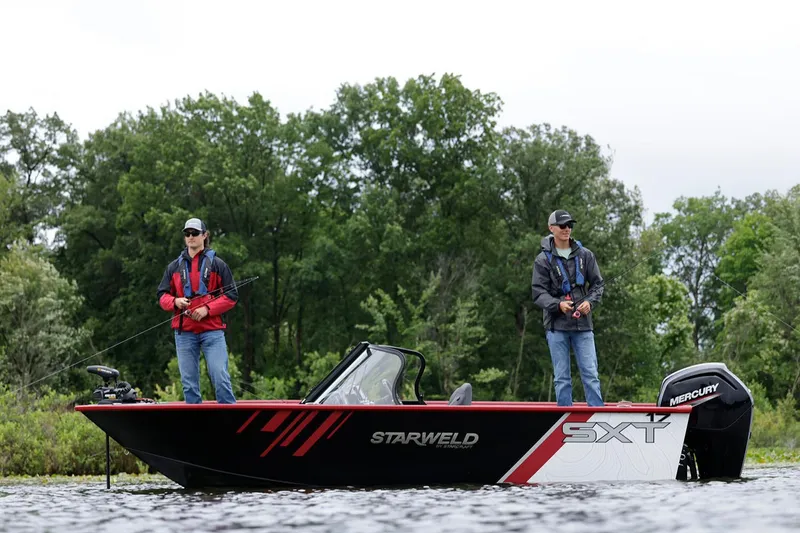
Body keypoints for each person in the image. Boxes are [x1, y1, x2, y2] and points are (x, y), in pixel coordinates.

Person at [157, 218, 238, 404]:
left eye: (195, 233)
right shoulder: (173, 267)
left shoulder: (218, 264)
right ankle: (197, 426)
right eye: (187, 234)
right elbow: (162, 296)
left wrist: (207, 309)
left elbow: (232, 296)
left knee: (220, 377)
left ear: (205, 235)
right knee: (189, 385)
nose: (191, 237)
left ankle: (230, 423)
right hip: (184, 334)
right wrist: (176, 301)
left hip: (212, 331)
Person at [531, 209, 605, 406]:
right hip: (556, 327)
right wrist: (558, 305)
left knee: (591, 375)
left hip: (583, 325)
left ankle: (597, 416)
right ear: (551, 228)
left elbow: (598, 285)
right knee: (562, 379)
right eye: (562, 225)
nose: (567, 229)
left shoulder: (586, 255)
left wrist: (590, 302)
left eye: (569, 225)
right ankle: (564, 421)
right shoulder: (542, 260)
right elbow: (538, 293)